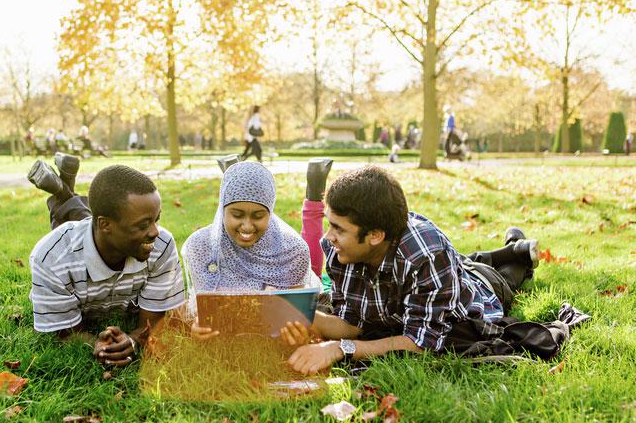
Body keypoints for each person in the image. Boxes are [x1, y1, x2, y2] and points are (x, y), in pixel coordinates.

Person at [281, 166, 590, 375]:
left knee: (504, 279)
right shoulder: (341, 251)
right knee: (467, 261)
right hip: (437, 277)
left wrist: (339, 349)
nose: (327, 237)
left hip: (475, 294)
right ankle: (512, 247)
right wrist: (301, 315)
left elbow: (419, 343)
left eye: (338, 228)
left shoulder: (426, 254)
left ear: (375, 235)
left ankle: (518, 254)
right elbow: (353, 325)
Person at [26, 154, 185, 367]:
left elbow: (155, 320)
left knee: (84, 215)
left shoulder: (162, 245)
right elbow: (64, 333)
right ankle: (62, 193)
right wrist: (96, 345)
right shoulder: (52, 257)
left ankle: (64, 189)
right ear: (104, 224)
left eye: (156, 220)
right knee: (68, 217)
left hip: (99, 231)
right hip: (84, 238)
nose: (155, 232)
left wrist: (133, 340)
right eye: (143, 225)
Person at [182, 161, 319, 340]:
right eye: (237, 215)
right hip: (221, 345)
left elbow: (296, 312)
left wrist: (297, 332)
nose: (247, 226)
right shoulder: (201, 245)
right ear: (222, 209)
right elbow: (202, 311)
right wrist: (197, 329)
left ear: (270, 213)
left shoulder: (293, 250)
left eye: (258, 216)